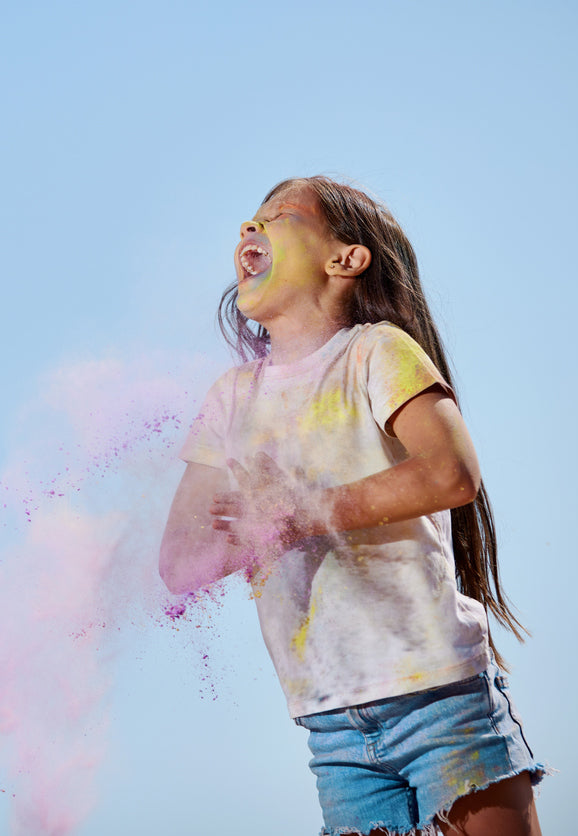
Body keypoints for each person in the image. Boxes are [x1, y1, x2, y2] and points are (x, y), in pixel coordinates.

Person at [159, 176, 545, 836]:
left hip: (437, 694)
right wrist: (246, 529)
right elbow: (179, 564)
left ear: (345, 259)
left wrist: (300, 512)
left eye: (275, 218)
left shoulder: (374, 353)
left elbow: (451, 473)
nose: (248, 231)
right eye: (245, 222)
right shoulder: (229, 400)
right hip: (330, 725)